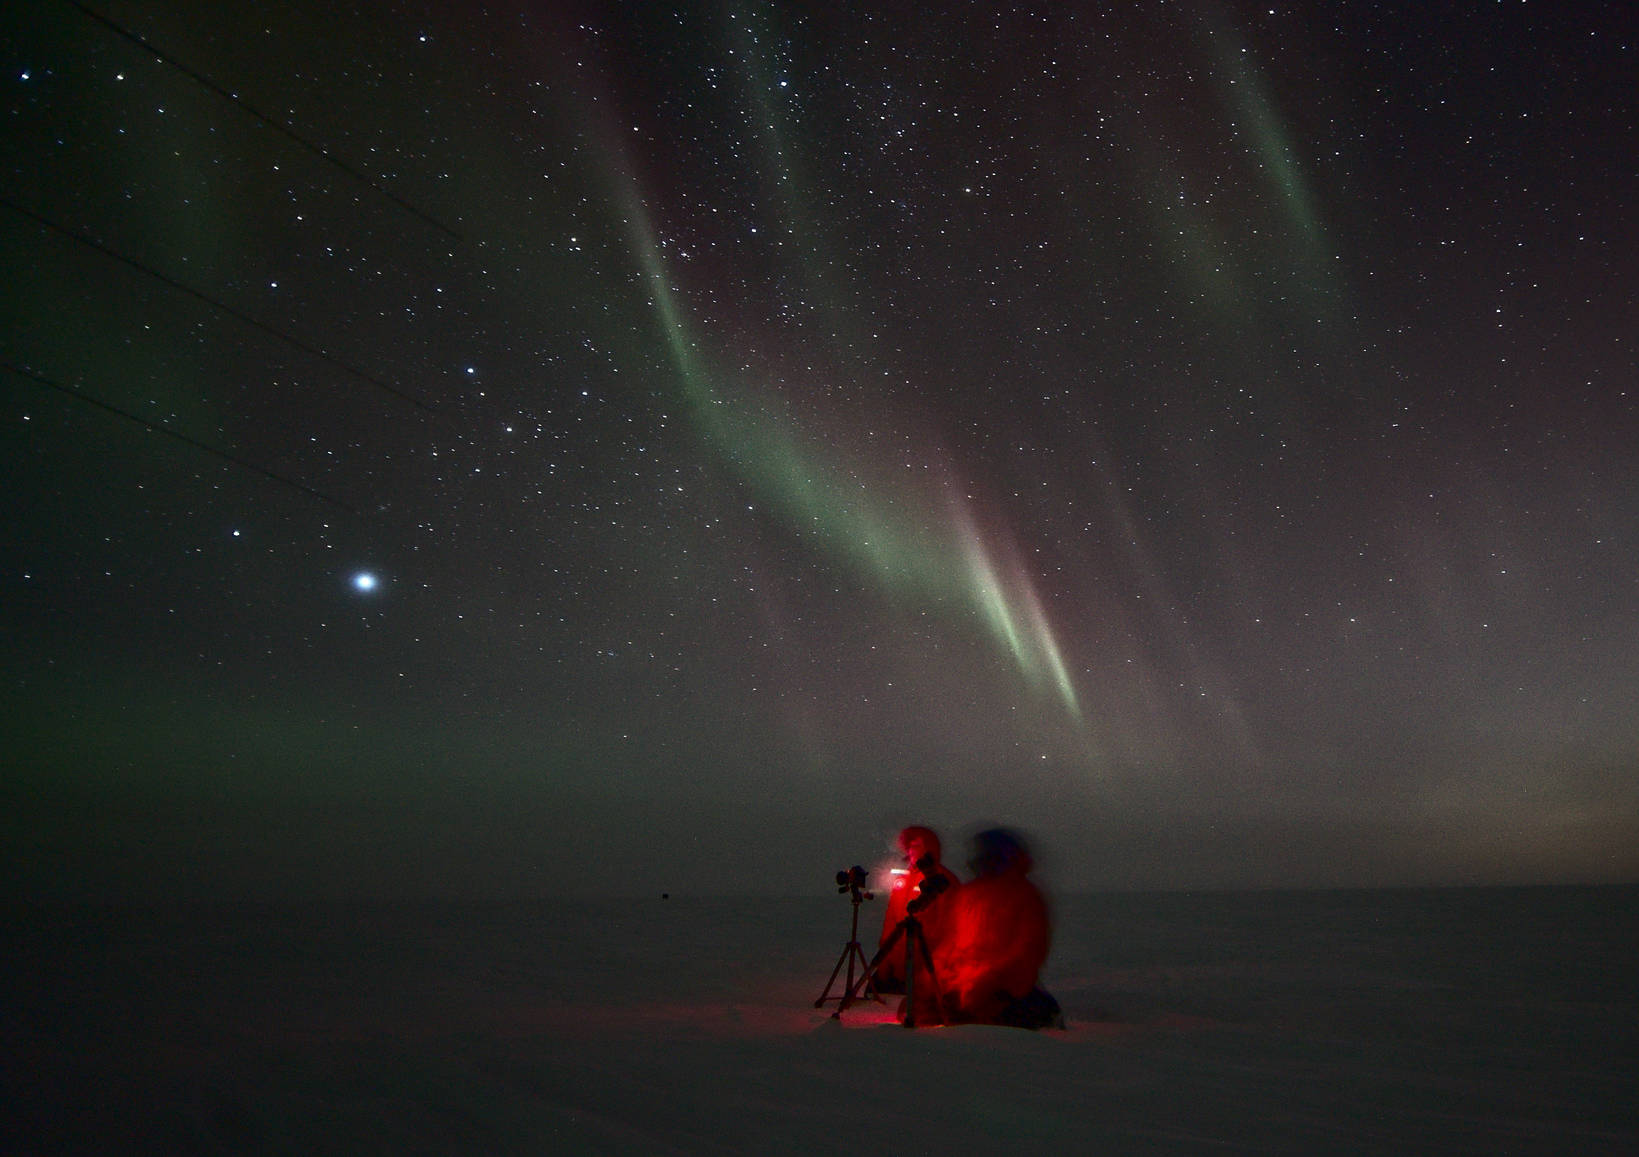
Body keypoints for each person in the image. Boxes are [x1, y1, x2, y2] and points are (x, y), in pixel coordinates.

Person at [934, 827, 1062, 1028]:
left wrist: (990, 981)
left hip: (1003, 988)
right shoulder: (967, 895)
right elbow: (949, 942)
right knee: (922, 1007)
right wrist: (935, 976)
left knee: (985, 1015)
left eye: (988, 852)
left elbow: (1028, 951)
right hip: (963, 982)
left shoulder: (1024, 895)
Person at [874, 826, 961, 999]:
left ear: (930, 847)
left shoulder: (944, 880)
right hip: (899, 967)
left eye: (918, 845)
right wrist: (885, 960)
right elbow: (891, 921)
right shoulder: (902, 880)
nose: (912, 851)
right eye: (910, 846)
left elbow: (951, 925)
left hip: (928, 965)